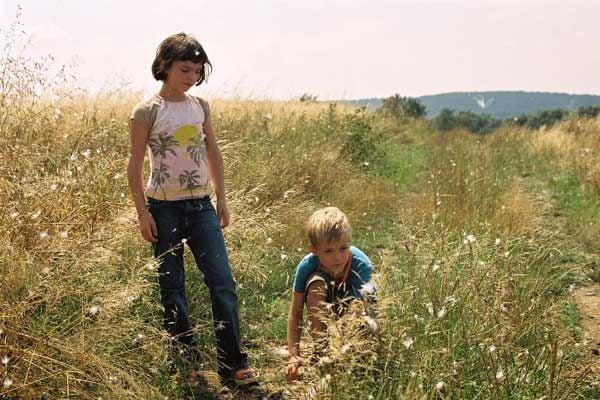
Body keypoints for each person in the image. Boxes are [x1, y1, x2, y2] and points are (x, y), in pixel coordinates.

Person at [127, 32, 257, 387]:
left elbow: (213, 152)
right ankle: (186, 363)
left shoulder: (200, 106)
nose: (192, 77)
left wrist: (222, 199)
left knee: (222, 282)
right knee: (172, 288)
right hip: (163, 209)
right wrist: (143, 213)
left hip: (201, 206)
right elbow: (134, 164)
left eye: (198, 71)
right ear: (165, 66)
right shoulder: (146, 111)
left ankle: (233, 363)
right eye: (185, 69)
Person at [286, 207, 376, 381]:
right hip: (327, 299)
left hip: (359, 309)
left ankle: (352, 359)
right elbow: (295, 311)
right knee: (315, 284)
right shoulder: (306, 265)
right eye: (328, 251)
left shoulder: (362, 265)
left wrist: (343, 349)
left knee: (362, 336)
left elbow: (356, 311)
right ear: (314, 249)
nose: (338, 257)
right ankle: (320, 350)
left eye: (343, 248)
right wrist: (293, 354)